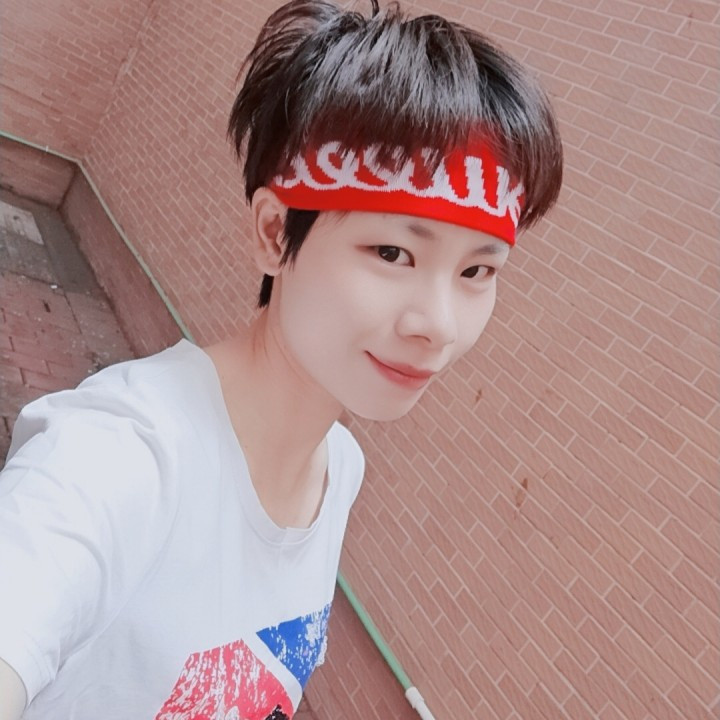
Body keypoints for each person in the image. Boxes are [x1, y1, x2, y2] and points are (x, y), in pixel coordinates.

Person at [0, 0, 563, 717]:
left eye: (477, 271)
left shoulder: (338, 468)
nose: (439, 325)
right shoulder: (118, 457)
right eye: (393, 252)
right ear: (274, 233)